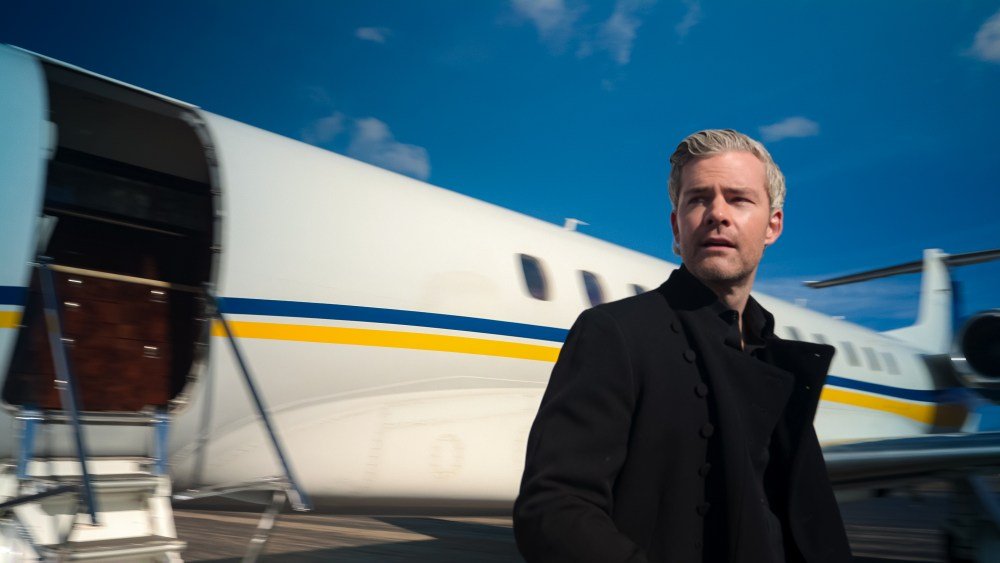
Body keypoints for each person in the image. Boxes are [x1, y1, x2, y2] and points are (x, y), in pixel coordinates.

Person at [513, 129, 852, 562]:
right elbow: (553, 509)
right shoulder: (614, 333)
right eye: (698, 199)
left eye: (739, 199)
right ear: (677, 227)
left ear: (773, 225)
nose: (717, 214)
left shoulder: (777, 359)